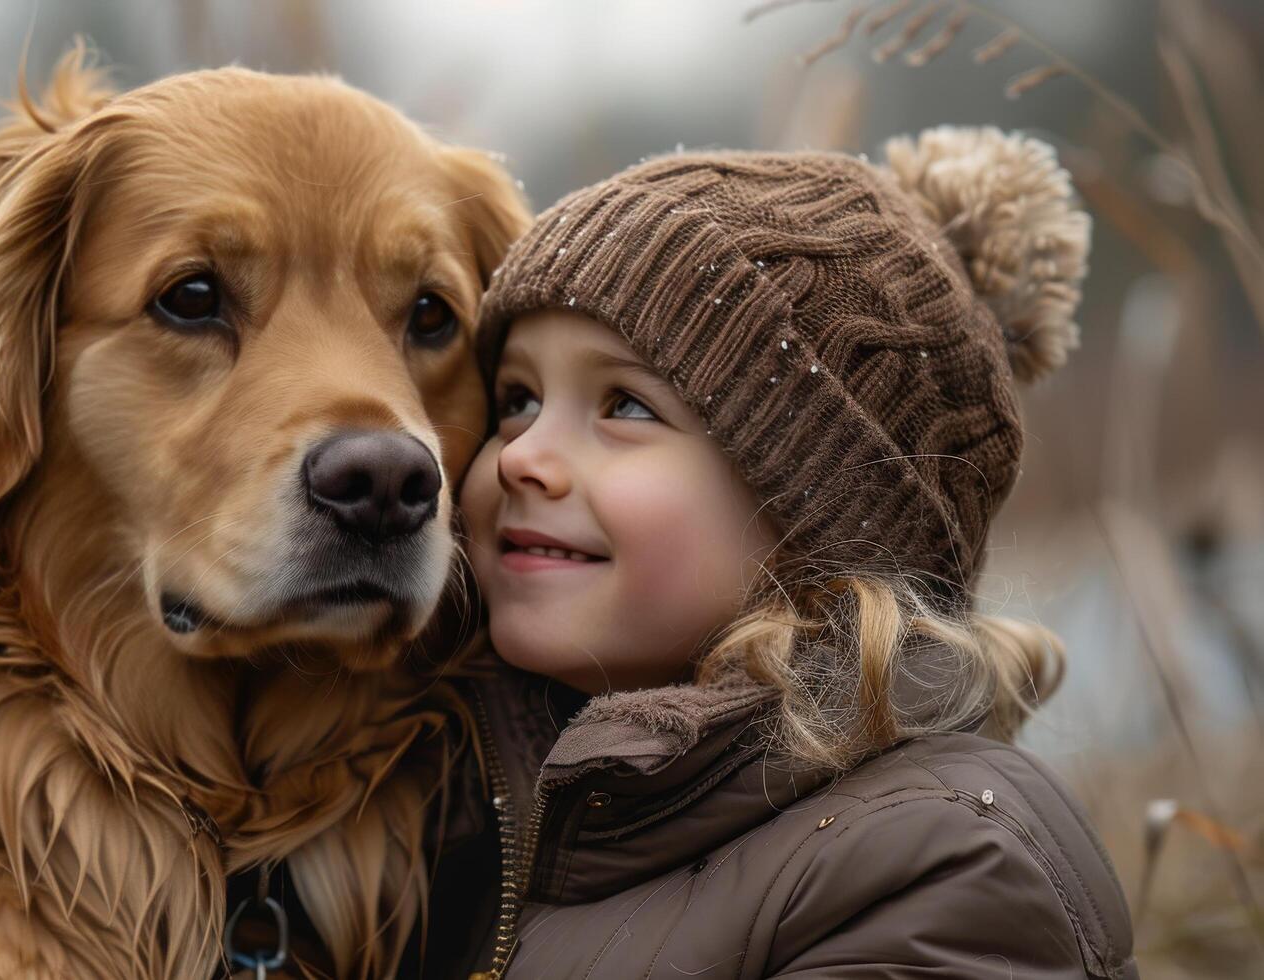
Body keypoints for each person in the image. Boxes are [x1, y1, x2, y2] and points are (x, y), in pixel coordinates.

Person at [423, 127, 1136, 978]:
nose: (520, 456)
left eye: (626, 406)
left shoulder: (931, 865)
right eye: (516, 398)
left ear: (820, 513)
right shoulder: (449, 803)